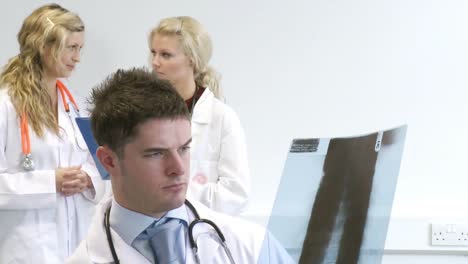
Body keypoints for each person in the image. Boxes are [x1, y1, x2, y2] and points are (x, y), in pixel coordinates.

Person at [67, 67, 294, 263]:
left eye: (184, 148)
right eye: (156, 153)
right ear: (109, 161)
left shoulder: (249, 246)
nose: (179, 168)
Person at [0, 4, 105, 263]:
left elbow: (102, 165)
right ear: (43, 45)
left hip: (80, 246)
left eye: (80, 48)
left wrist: (89, 180)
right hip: (27, 250)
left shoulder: (77, 105)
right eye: (71, 48)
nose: (78, 57)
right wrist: (50, 182)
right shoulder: (5, 105)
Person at [149, 16, 250, 215]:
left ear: (192, 61)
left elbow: (236, 194)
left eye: (166, 55)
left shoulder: (221, 117)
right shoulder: (143, 113)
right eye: (153, 53)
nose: (155, 62)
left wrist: (175, 191)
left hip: (200, 230)